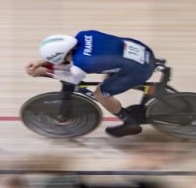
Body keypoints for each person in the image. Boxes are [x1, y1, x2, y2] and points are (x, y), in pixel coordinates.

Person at [26, 30, 157, 138]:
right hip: (144, 51)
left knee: (100, 94)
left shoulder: (81, 65)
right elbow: (70, 62)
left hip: (139, 69)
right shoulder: (83, 34)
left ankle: (130, 123)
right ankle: (149, 89)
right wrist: (43, 63)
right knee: (111, 70)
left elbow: (72, 78)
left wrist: (45, 72)